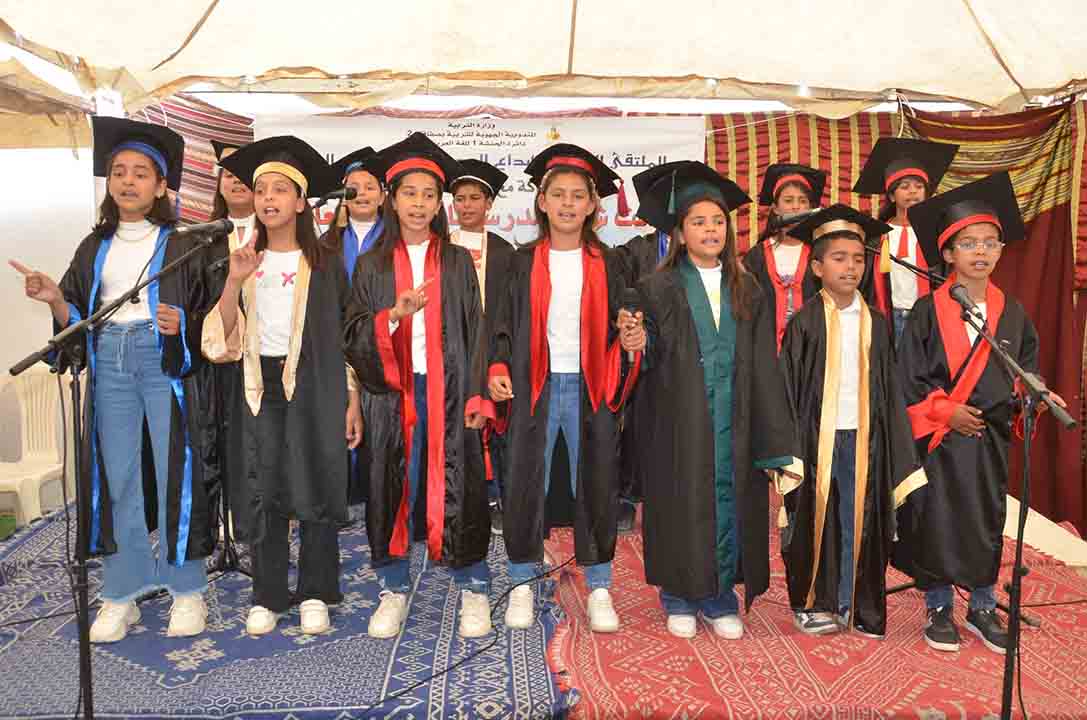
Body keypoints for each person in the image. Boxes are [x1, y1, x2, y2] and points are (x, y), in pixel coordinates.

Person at [10, 117, 215, 642]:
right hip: (110, 359)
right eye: (119, 172)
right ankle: (123, 589)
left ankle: (187, 589)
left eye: (141, 173)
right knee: (116, 476)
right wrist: (54, 299)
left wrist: (182, 324)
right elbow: (78, 314)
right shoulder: (93, 244)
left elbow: (211, 315)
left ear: (161, 185)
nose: (128, 181)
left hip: (163, 360)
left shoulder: (183, 244)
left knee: (174, 473)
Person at [894, 172, 1067, 655]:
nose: (981, 252)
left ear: (1001, 251)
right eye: (968, 243)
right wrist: (945, 411)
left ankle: (983, 606)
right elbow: (908, 377)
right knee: (936, 518)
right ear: (948, 254)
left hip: (988, 438)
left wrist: (1036, 396)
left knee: (986, 518)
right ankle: (939, 606)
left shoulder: (1012, 313)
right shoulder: (927, 312)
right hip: (940, 437)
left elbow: (1023, 370)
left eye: (990, 242)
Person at [203, 135, 362, 637]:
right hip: (258, 385)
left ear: (300, 202)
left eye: (279, 189)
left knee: (316, 481)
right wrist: (234, 281)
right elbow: (220, 340)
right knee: (262, 486)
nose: (268, 198)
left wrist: (352, 399)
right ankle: (268, 594)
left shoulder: (326, 263)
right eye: (261, 189)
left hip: (316, 384)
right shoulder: (241, 258)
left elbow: (345, 336)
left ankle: (316, 590)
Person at [632, 161, 799, 639]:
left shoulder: (749, 288)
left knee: (732, 501)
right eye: (699, 222)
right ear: (680, 232)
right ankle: (679, 596)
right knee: (681, 500)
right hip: (678, 418)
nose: (710, 230)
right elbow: (648, 357)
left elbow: (765, 362)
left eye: (718, 221)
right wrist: (637, 345)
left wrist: (773, 436)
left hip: (736, 417)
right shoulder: (656, 288)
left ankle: (720, 596)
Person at [487, 143, 645, 633]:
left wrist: (632, 336)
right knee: (523, 481)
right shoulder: (519, 262)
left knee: (595, 481)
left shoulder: (611, 262)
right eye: (558, 194)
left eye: (579, 195)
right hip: (532, 385)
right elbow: (500, 325)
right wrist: (496, 365)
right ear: (541, 201)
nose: (568, 204)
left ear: (593, 205)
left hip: (589, 385)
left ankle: (599, 586)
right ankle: (521, 581)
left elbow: (626, 321)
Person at [342, 133, 494, 640]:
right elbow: (352, 331)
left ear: (439, 203)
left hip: (450, 391)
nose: (419, 203)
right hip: (392, 395)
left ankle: (474, 586)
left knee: (460, 484)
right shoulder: (371, 264)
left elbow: (475, 330)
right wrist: (393, 315)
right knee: (390, 486)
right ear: (391, 198)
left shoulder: (456, 261)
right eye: (409, 193)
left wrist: (477, 394)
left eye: (429, 194)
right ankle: (393, 588)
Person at [778, 204, 927, 637]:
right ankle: (813, 602)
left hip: (866, 439)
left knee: (862, 522)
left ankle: (856, 603)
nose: (850, 267)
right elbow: (788, 389)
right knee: (816, 522)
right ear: (817, 267)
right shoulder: (804, 323)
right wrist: (788, 450)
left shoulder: (877, 323)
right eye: (839, 258)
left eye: (859, 259)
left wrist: (897, 446)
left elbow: (889, 388)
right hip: (816, 440)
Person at [451, 158, 516, 534]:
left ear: (489, 204)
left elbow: (508, 311)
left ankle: (497, 500)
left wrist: (498, 358)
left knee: (495, 429)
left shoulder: (506, 252)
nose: (467, 206)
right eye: (460, 199)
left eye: (475, 198)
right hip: (452, 355)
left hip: (492, 352)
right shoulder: (441, 246)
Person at [324, 146, 387, 512]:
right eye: (354, 187)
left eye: (370, 187)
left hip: (382, 344)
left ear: (383, 196)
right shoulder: (326, 243)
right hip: (338, 344)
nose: (362, 193)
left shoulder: (395, 239)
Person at [853, 138, 958, 347]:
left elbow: (947, 276)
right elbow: (867, 283)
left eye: (919, 186)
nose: (913, 191)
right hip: (888, 318)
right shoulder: (877, 236)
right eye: (904, 186)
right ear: (892, 196)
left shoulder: (935, 234)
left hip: (927, 318)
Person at [208, 139, 256, 541]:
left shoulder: (279, 236)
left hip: (269, 356)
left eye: (245, 174)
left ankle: (264, 519)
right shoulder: (200, 240)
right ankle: (227, 518)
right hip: (219, 358)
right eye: (229, 173)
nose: (236, 181)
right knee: (224, 439)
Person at [743, 163, 826, 353]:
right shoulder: (756, 256)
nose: (796, 206)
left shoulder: (819, 254)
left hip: (810, 351)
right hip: (766, 351)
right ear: (775, 208)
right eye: (788, 200)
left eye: (803, 201)